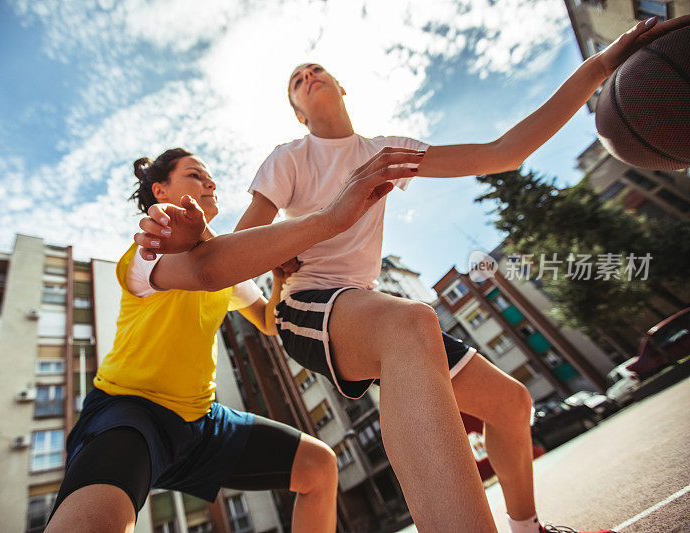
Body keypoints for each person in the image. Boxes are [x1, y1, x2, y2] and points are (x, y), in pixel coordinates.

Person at [137, 15, 690, 533]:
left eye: (316, 70)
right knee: (411, 324)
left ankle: (527, 527)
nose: (308, 77)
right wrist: (216, 247)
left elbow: (503, 152)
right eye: (297, 82)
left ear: (342, 89)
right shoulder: (289, 159)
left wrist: (602, 64)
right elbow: (239, 246)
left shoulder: (386, 152)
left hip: (364, 305)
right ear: (299, 116)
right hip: (307, 309)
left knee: (511, 404)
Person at [46, 146, 424, 533]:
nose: (210, 181)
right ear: (160, 191)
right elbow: (206, 270)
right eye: (194, 174)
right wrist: (329, 219)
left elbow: (265, 319)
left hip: (201, 421)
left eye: (209, 176)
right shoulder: (147, 250)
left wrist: (278, 280)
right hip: (130, 411)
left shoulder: (225, 265)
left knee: (319, 467)